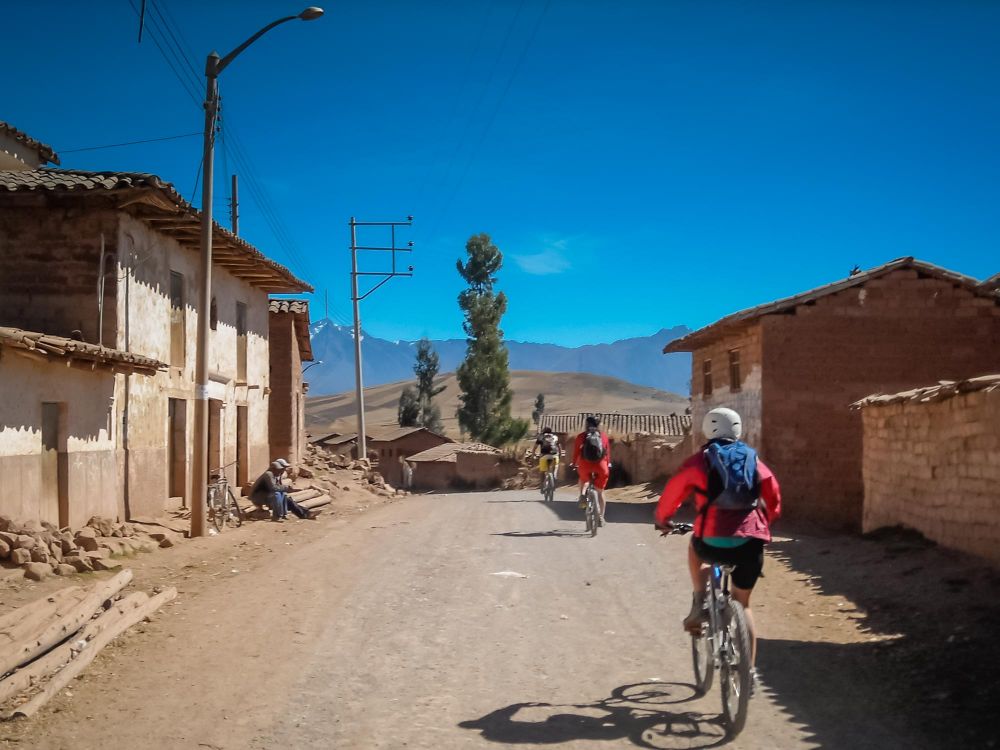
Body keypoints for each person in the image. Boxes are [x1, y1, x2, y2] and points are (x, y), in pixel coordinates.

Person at [653, 406, 781, 685]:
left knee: (693, 546)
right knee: (743, 604)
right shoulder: (752, 460)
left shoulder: (699, 462)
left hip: (711, 539)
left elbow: (673, 493)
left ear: (707, 430)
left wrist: (664, 520)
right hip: (750, 542)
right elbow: (773, 496)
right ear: (737, 429)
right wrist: (763, 522)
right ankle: (747, 674)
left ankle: (700, 598)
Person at [572, 415, 611, 523]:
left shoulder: (581, 436)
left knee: (583, 480)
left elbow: (576, 452)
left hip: (585, 466)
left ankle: (582, 495)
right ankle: (601, 517)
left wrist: (574, 463)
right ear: (598, 425)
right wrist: (607, 464)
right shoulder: (603, 436)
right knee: (600, 492)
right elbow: (607, 453)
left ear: (586, 424)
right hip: (601, 467)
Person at [250, 459, 315, 522]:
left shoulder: (278, 475)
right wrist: (286, 488)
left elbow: (279, 487)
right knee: (278, 495)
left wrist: (287, 490)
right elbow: (274, 488)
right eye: (282, 468)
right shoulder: (268, 474)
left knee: (288, 499)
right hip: (257, 497)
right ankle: (279, 515)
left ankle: (306, 513)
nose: (283, 470)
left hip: (267, 495)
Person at [532, 426, 563, 493]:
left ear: (543, 432)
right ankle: (554, 477)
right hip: (554, 456)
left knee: (542, 472)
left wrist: (533, 455)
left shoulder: (541, 437)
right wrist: (559, 455)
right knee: (555, 467)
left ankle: (542, 486)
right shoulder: (555, 437)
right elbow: (559, 447)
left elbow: (534, 448)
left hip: (544, 456)